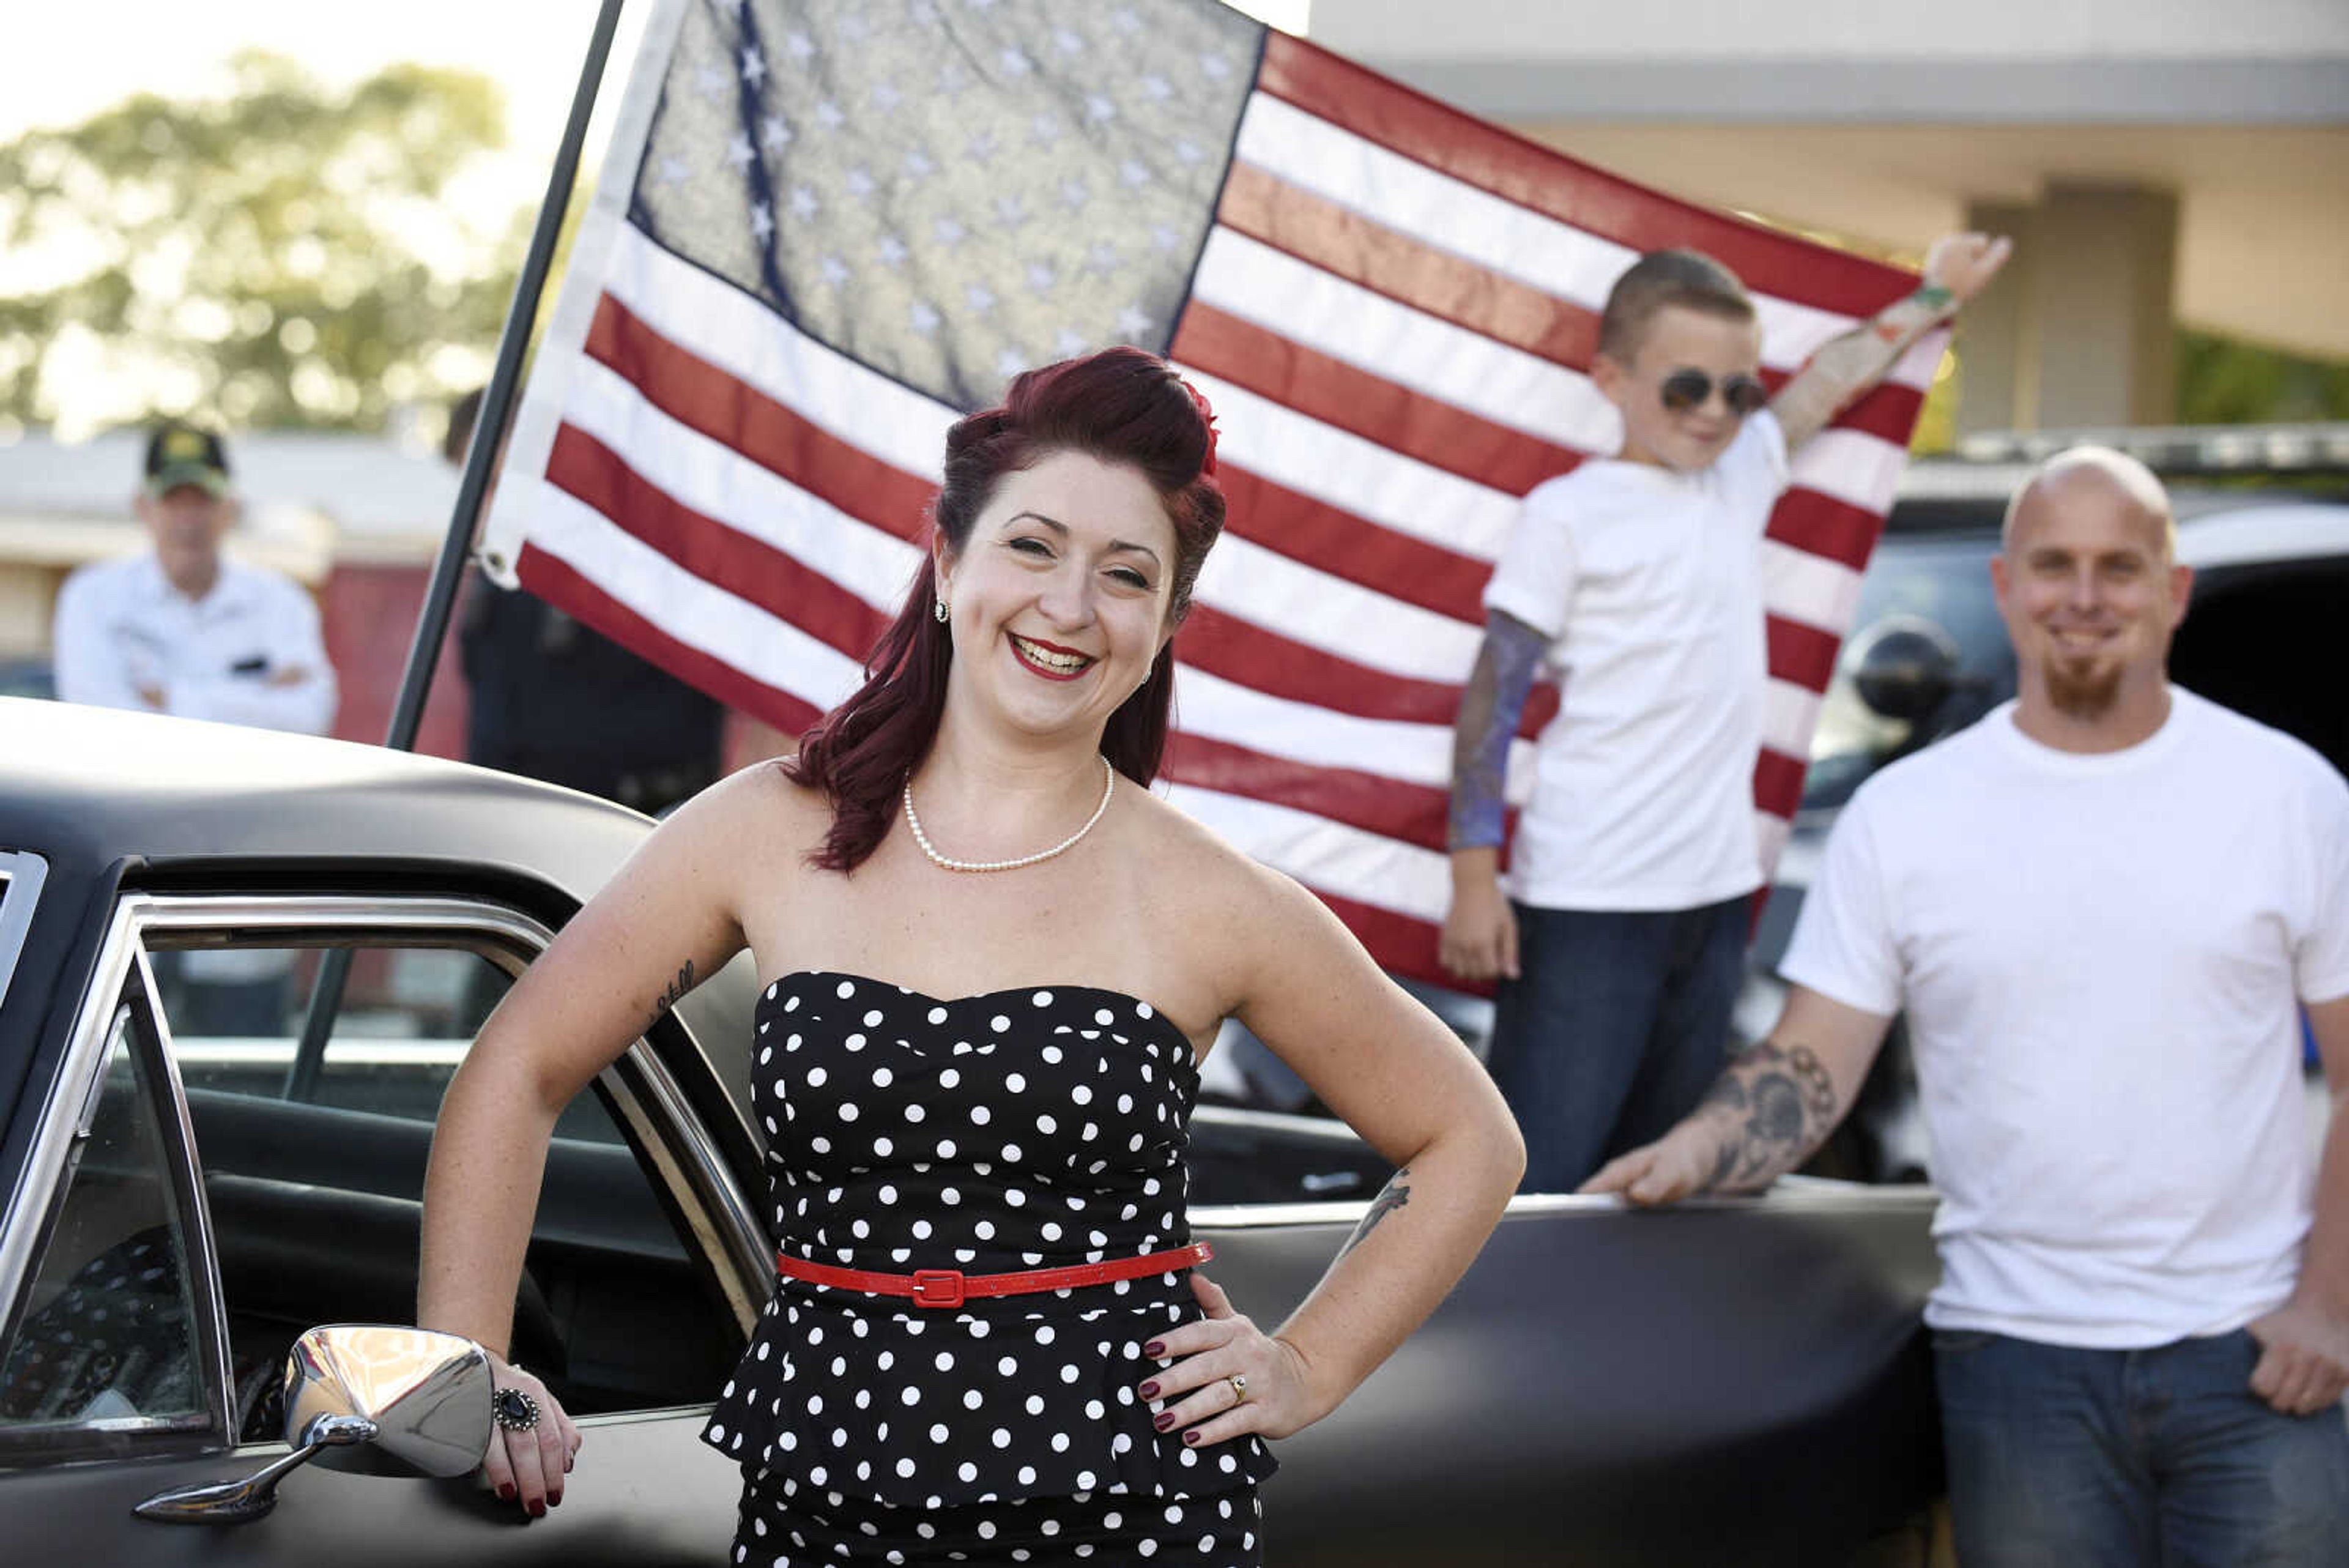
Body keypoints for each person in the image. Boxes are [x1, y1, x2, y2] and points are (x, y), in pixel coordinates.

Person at [418, 348, 1525, 1562]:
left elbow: (1470, 1138)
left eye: (1126, 576)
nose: (1068, 605)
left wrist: (1307, 1363)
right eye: (1033, 547)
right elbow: (518, 1064)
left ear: (1167, 625)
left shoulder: (1217, 899)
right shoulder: (763, 833)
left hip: (1128, 1513)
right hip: (823, 1505)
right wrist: (472, 1367)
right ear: (948, 564)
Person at [1586, 448, 2349, 1564]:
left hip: (2256, 1351)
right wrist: (1689, 1153)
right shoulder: (1906, 815)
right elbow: (1813, 1061)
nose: (2084, 597)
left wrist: (2330, 1306)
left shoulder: (2289, 794)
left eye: (2119, 567)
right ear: (2006, 585)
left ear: (2171, 591)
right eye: (2053, 565)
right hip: (2013, 1360)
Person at [1440, 234, 2013, 1191]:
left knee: (1664, 1170)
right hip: (1589, 896)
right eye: (1686, 388)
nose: (1715, 413)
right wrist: (1472, 869)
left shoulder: (1740, 470)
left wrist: (1933, 296)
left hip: (1710, 897)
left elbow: (1826, 383)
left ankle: (1638, 1346)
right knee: (1543, 1176)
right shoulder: (1569, 512)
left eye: (1736, 391)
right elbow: (1494, 691)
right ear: (1612, 378)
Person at [52, 419, 337, 1036]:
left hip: (241, 885)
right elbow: (102, 722)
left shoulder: (280, 601)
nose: (188, 516)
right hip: (122, 878)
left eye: (202, 498)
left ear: (228, 507)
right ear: (143, 506)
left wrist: (173, 696)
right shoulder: (93, 597)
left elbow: (310, 715)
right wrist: (249, 700)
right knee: (106, 1087)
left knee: (240, 1083)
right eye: (173, 498)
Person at [448, 388, 724, 816]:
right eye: (477, 487)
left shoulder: (651, 559)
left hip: (642, 831)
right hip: (509, 832)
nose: (489, 504)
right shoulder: (495, 577)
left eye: (502, 483)